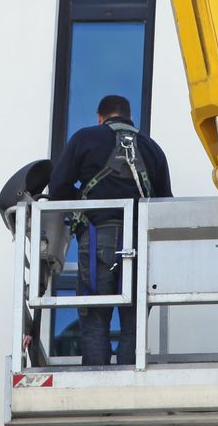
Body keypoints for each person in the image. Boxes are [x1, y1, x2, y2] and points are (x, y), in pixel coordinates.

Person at [47, 94, 173, 365]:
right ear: (129, 117)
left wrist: (81, 202)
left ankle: (96, 378)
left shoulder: (85, 139)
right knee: (133, 322)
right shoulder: (152, 149)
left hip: (97, 241)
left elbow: (57, 187)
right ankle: (128, 378)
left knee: (94, 320)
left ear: (100, 117)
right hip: (138, 241)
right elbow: (165, 204)